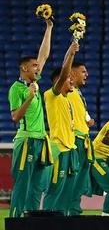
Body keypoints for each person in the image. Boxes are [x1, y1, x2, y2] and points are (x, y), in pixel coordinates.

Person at [8, 17, 53, 217]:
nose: (38, 68)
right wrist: (30, 97)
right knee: (23, 184)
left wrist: (49, 27)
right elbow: (15, 117)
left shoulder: (33, 82)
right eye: (34, 66)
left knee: (37, 186)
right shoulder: (16, 89)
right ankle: (15, 222)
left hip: (41, 139)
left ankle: (32, 223)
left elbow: (44, 55)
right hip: (26, 140)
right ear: (24, 69)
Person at [42, 41, 81, 214]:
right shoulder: (52, 95)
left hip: (70, 149)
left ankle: (63, 223)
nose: (72, 81)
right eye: (69, 79)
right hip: (59, 149)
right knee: (55, 189)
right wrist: (71, 53)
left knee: (67, 191)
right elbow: (65, 72)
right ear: (58, 81)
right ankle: (48, 223)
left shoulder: (67, 99)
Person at [65, 62, 95, 216]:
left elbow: (79, 113)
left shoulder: (77, 92)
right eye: (83, 71)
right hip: (75, 139)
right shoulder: (67, 90)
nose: (87, 75)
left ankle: (74, 210)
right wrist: (71, 53)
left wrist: (87, 121)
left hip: (84, 138)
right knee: (74, 177)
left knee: (81, 178)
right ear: (72, 73)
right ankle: (70, 211)